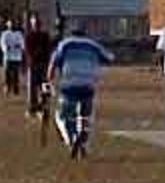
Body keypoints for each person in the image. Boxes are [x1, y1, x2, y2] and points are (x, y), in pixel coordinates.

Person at [46, 24, 115, 159]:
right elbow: (109, 58)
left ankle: (71, 140)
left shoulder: (65, 44)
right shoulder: (93, 45)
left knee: (64, 115)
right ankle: (83, 138)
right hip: (88, 84)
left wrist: (49, 81)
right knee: (85, 115)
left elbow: (54, 62)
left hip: (69, 84)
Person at [24, 12, 53, 117]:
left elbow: (48, 49)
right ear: (32, 24)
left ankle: (43, 106)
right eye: (34, 23)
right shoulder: (29, 36)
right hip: (33, 64)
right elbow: (28, 51)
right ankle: (32, 108)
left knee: (44, 87)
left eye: (37, 23)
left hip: (43, 64)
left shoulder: (45, 36)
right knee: (32, 88)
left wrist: (47, 60)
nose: (36, 25)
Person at [0, 18, 25, 96]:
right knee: (7, 72)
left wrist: (19, 46)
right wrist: (6, 48)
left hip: (17, 57)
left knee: (16, 73)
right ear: (8, 25)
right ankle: (7, 86)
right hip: (8, 57)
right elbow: (2, 44)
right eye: (10, 24)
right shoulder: (5, 34)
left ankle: (16, 87)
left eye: (13, 24)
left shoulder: (19, 34)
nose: (12, 25)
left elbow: (22, 44)